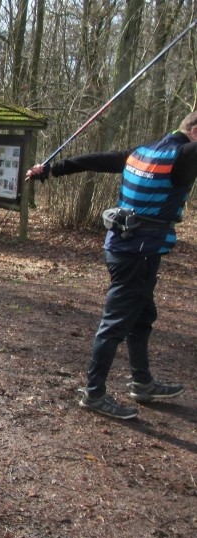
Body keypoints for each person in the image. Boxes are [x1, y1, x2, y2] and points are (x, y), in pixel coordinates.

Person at [27, 110, 197, 419]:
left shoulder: (143, 152)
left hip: (128, 248)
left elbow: (96, 160)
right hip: (138, 252)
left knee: (142, 316)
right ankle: (94, 394)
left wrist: (51, 170)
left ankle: (142, 382)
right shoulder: (183, 156)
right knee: (115, 323)